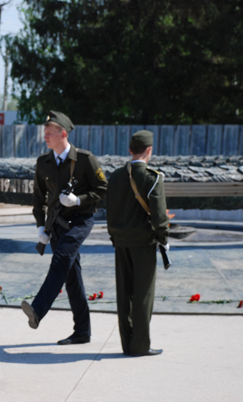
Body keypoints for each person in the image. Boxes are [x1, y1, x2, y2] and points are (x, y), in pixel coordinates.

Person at [20, 111, 107, 345]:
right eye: (45, 131)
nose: (45, 135)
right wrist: (40, 226)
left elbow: (102, 189)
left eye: (50, 132)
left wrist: (79, 200)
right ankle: (82, 332)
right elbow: (38, 199)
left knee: (61, 259)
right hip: (56, 225)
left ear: (63, 134)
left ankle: (38, 310)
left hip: (80, 221)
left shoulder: (85, 160)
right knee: (72, 278)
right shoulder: (43, 163)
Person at [106, 130, 169, 356]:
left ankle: (126, 343)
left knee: (124, 295)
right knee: (143, 294)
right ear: (149, 151)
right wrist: (164, 238)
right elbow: (159, 217)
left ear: (130, 150)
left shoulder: (115, 177)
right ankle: (140, 345)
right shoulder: (153, 178)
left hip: (121, 243)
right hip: (144, 244)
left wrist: (115, 237)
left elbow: (110, 213)